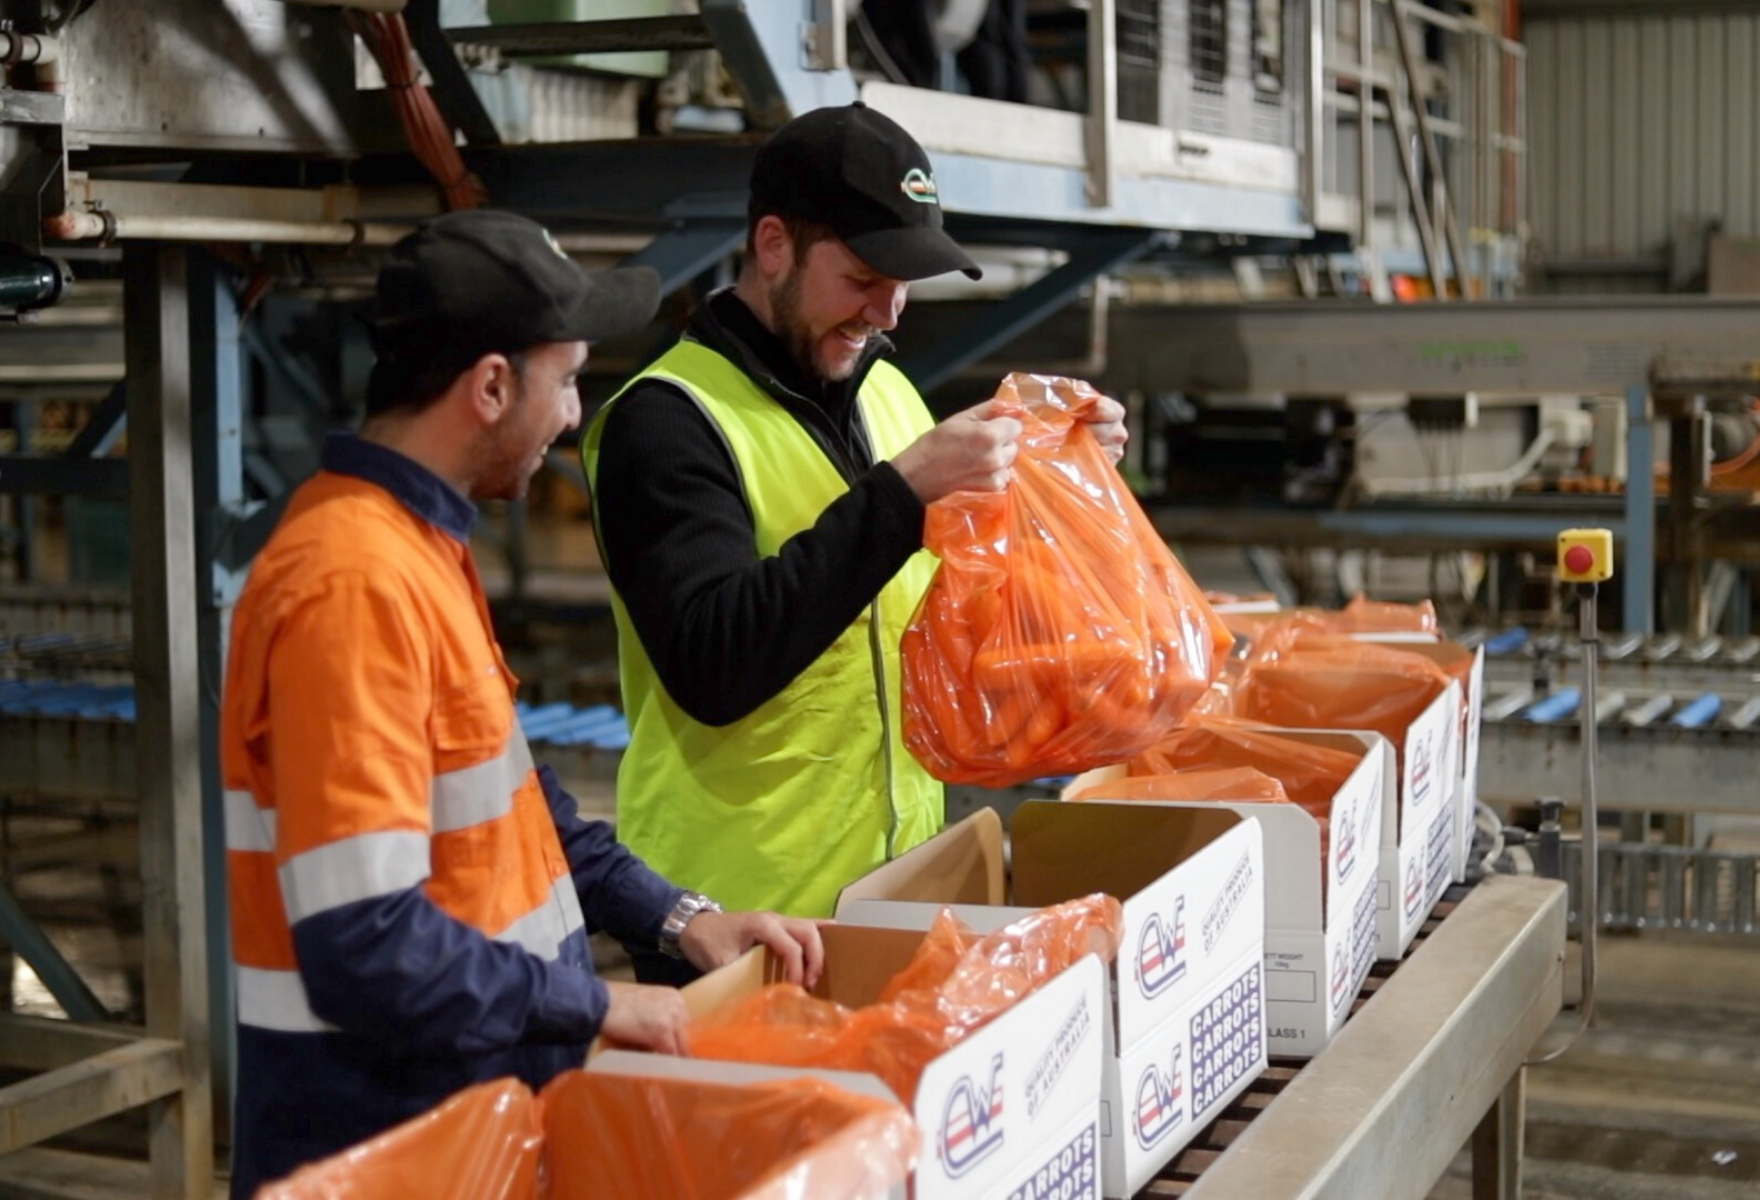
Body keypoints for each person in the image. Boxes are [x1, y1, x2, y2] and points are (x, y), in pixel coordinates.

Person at [221, 210, 824, 1197]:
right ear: (491, 386)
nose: (574, 416)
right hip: (386, 1147)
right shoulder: (350, 581)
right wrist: (585, 1005)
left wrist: (678, 921)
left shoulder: (417, 545)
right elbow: (361, 940)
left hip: (469, 1124)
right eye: (568, 378)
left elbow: (510, 804)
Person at [584, 103, 1126, 961]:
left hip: (894, 892)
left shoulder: (888, 395)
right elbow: (714, 663)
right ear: (774, 246)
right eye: (866, 274)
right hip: (740, 923)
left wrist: (1053, 475)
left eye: (907, 280)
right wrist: (902, 495)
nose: (891, 310)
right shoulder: (668, 421)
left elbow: (948, 595)